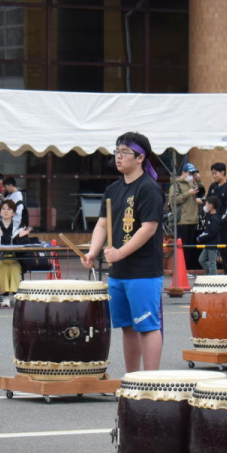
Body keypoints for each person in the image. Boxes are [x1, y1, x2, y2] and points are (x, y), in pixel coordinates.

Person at [81, 132, 164, 372]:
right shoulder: (113, 189)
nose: (118, 157)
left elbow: (148, 229)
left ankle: (151, 380)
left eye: (124, 152)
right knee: (127, 326)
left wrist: (120, 252)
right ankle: (132, 378)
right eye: (116, 151)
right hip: (119, 272)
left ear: (140, 157)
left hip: (143, 271)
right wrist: (92, 252)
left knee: (146, 325)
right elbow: (102, 225)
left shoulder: (149, 188)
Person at [0, 199, 30, 306]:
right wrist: (0, 236)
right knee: (3, 267)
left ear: (14, 213)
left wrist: (19, 237)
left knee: (14, 267)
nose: (6, 211)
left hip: (15, 259)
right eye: (3, 209)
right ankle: (6, 297)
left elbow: (25, 245)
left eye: (9, 209)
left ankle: (14, 295)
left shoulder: (19, 227)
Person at [204, 162, 227, 275]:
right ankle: (211, 273)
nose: (214, 176)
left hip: (222, 223)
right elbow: (207, 201)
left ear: (223, 172)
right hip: (211, 222)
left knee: (224, 248)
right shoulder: (213, 186)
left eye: (215, 173)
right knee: (209, 249)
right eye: (212, 174)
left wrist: (221, 220)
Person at [170, 163, 202, 270]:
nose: (192, 175)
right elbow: (174, 200)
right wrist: (188, 193)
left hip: (193, 219)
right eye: (190, 173)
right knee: (182, 248)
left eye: (193, 173)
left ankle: (187, 269)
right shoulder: (176, 184)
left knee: (190, 249)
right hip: (182, 221)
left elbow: (202, 192)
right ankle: (181, 270)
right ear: (183, 172)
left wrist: (198, 180)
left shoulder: (192, 183)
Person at [195, 197, 222, 276]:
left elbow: (212, 232)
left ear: (211, 205)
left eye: (206, 204)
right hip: (208, 243)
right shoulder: (209, 216)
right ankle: (210, 273)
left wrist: (202, 237)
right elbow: (207, 231)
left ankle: (213, 278)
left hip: (213, 244)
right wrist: (201, 237)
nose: (205, 205)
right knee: (201, 260)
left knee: (212, 262)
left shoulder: (215, 218)